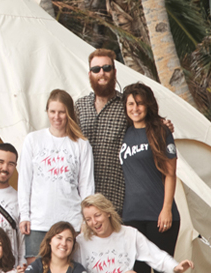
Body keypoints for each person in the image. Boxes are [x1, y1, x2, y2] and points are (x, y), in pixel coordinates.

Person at [120, 82, 182, 273]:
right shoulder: (123, 134)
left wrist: (166, 208)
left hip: (160, 214)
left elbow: (170, 173)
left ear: (148, 105)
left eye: (140, 103)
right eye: (131, 104)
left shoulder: (160, 132)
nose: (135, 109)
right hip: (131, 217)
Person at [74, 49, 173, 215]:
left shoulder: (126, 106)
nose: (102, 73)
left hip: (119, 198)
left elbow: (148, 126)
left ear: (114, 71)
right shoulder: (79, 106)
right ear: (90, 74)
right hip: (84, 198)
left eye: (106, 68)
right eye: (96, 69)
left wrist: (164, 126)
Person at [18, 90, 95, 262]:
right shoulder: (33, 140)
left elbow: (87, 186)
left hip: (71, 221)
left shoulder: (81, 144)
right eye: (52, 112)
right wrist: (25, 215)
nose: (57, 116)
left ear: (69, 113)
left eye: (61, 112)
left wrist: (86, 219)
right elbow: (24, 181)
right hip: (39, 220)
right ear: (47, 112)